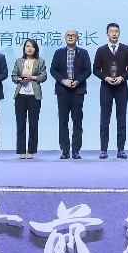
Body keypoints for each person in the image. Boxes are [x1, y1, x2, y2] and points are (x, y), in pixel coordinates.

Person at [92, 22, 128, 159]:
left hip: (121, 87)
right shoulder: (101, 50)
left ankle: (121, 150)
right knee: (105, 118)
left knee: (121, 118)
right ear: (107, 33)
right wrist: (105, 78)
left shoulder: (126, 49)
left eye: (116, 31)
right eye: (111, 31)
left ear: (119, 33)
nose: (114, 33)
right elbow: (95, 69)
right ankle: (104, 150)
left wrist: (122, 77)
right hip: (106, 87)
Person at [49, 29, 91, 159]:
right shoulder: (58, 52)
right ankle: (65, 150)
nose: (71, 37)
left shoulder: (83, 52)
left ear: (77, 38)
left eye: (73, 35)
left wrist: (77, 81)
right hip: (63, 90)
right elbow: (53, 70)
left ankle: (76, 150)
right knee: (63, 121)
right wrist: (63, 81)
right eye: (68, 35)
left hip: (77, 90)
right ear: (65, 37)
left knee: (77, 121)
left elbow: (88, 70)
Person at [11, 39, 47, 159]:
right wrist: (19, 79)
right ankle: (21, 150)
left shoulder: (40, 61)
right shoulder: (19, 61)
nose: (29, 49)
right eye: (27, 46)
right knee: (20, 124)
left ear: (35, 49)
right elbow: (13, 76)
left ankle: (31, 150)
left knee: (33, 124)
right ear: (24, 48)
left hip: (34, 96)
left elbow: (43, 76)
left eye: (32, 46)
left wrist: (32, 77)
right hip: (20, 95)